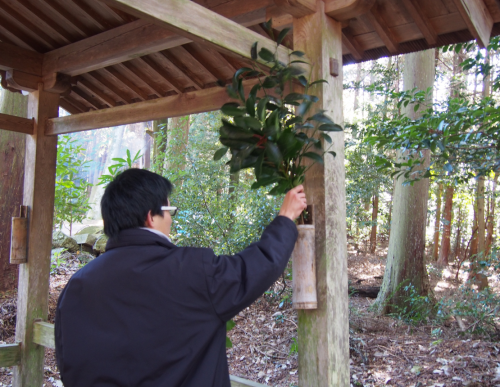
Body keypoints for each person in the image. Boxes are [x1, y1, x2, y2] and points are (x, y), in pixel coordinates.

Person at [55, 168, 307, 387]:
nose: (171, 219)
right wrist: (285, 219)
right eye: (168, 210)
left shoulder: (77, 286)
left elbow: (67, 361)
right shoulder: (192, 271)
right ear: (150, 217)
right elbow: (254, 268)